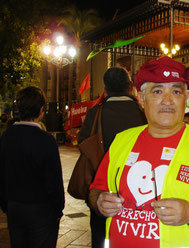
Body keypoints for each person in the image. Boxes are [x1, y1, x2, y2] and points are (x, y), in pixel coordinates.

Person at [89, 56, 189, 248]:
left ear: (186, 98)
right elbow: (96, 189)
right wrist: (100, 201)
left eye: (176, 91)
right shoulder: (122, 141)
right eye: (157, 91)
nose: (168, 100)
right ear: (141, 99)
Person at [78, 67, 147, 248]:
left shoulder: (95, 113)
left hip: (101, 188)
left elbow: (83, 143)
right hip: (139, 187)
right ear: (130, 86)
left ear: (105, 89)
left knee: (100, 236)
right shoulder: (143, 112)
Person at [0, 86, 64, 248]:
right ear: (41, 110)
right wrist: (58, 209)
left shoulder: (6, 137)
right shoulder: (46, 140)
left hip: (14, 206)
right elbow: (54, 180)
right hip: (42, 210)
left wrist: (6, 204)